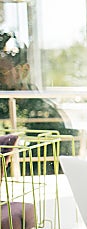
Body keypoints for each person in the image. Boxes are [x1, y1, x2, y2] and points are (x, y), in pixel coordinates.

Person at [0, 31, 78, 172]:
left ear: (23, 71)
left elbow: (56, 163)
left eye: (2, 72)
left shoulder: (45, 114)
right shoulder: (4, 107)